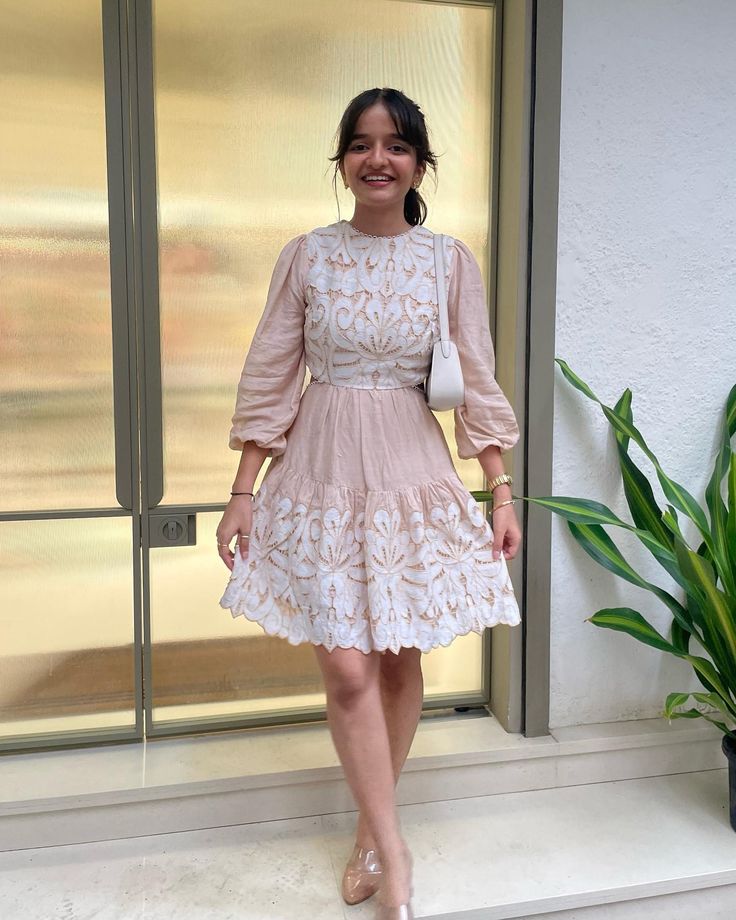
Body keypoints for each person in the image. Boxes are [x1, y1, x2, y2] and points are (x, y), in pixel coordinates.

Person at [216, 87, 522, 920]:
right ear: (343, 160)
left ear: (419, 163)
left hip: (407, 467)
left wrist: (500, 490)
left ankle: (368, 833)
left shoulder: (448, 262)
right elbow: (271, 370)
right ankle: (395, 851)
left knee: (396, 659)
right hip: (319, 467)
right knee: (347, 667)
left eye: (394, 145)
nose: (376, 158)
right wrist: (243, 490)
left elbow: (475, 380)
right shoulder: (307, 256)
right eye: (360, 143)